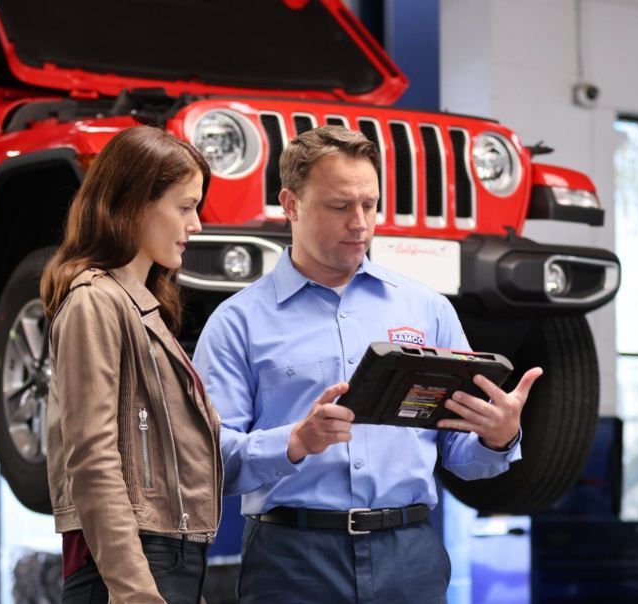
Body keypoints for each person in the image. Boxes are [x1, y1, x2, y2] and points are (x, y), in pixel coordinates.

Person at [193, 126, 542, 603]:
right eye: (340, 206)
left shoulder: (428, 309)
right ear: (291, 204)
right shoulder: (237, 322)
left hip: (410, 555)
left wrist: (496, 436)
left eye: (370, 205)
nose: (360, 223)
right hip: (292, 561)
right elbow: (207, 463)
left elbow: (461, 456)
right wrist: (294, 442)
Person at [41, 126, 223, 603]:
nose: (197, 224)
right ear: (136, 204)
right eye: (185, 207)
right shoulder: (95, 303)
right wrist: (135, 592)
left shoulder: (136, 304)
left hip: (162, 560)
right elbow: (93, 459)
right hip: (130, 567)